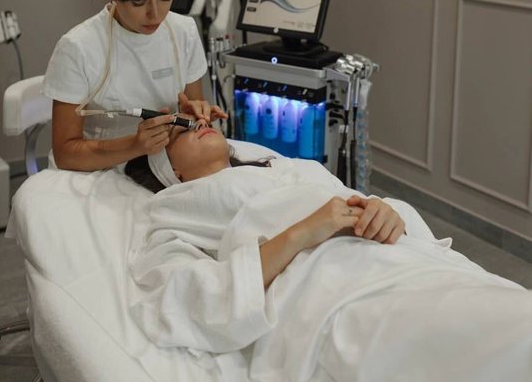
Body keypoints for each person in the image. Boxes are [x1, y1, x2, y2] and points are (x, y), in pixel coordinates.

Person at [126, 124, 532, 381]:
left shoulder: (288, 166)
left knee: (506, 309)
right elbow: (182, 297)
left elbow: (354, 200)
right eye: (178, 133)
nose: (197, 123)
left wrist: (387, 213)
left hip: (401, 257)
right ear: (171, 171)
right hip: (328, 281)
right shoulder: (177, 207)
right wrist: (303, 233)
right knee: (496, 337)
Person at [43, 0, 226, 171]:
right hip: (95, 174)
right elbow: (66, 154)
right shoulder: (78, 47)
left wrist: (194, 114)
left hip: (163, 168)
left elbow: (191, 115)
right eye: (139, 3)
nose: (155, 14)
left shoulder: (183, 31)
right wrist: (134, 145)